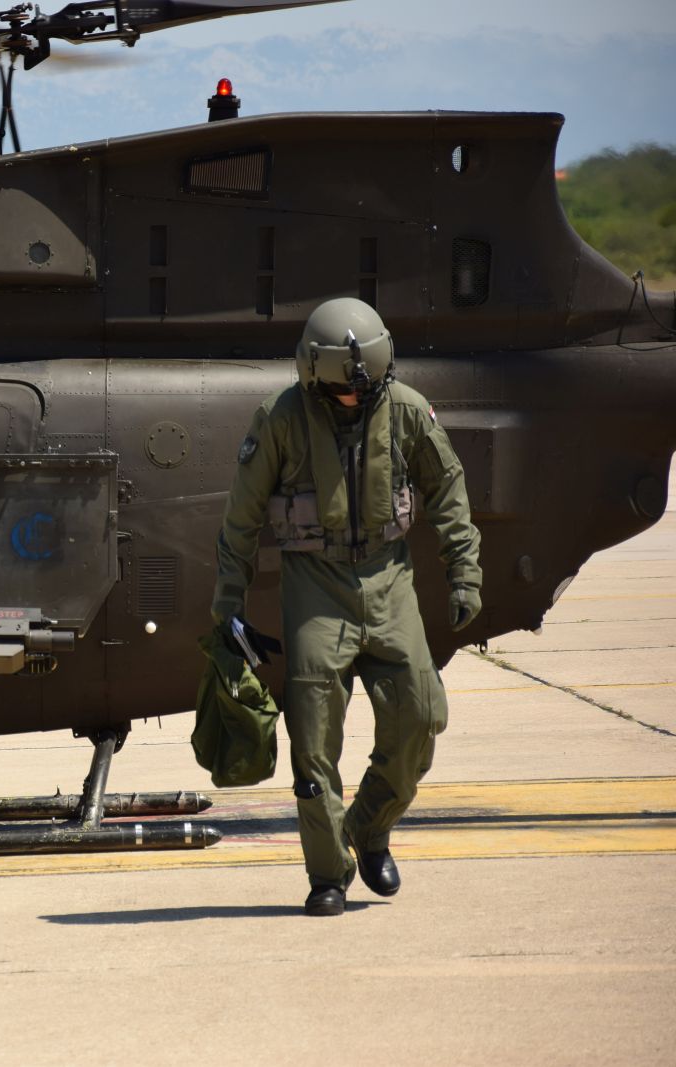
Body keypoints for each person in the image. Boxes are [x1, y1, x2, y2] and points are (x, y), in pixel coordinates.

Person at [212, 297, 482, 917]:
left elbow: (447, 487)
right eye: (343, 391)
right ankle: (328, 872)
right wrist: (227, 604)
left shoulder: (406, 410)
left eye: (367, 388)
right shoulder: (281, 419)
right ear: (313, 375)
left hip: (389, 582)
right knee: (312, 744)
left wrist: (464, 574)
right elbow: (241, 519)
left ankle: (370, 825)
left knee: (421, 716)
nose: (356, 398)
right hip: (316, 588)